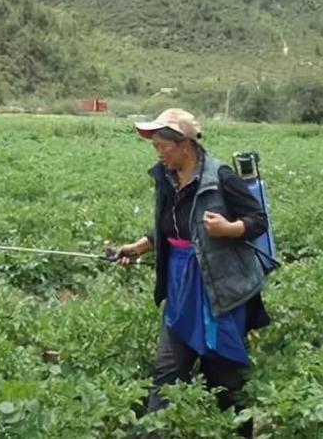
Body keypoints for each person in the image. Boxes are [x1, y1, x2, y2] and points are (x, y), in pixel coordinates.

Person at [114, 108, 271, 438]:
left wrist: (229, 228)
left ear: (185, 144)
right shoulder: (167, 177)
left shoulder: (221, 177)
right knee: (165, 373)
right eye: (154, 146)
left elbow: (258, 220)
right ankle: (153, 432)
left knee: (225, 380)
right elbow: (169, 226)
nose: (158, 152)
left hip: (219, 292)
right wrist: (138, 247)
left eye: (162, 146)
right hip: (181, 288)